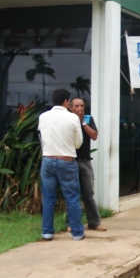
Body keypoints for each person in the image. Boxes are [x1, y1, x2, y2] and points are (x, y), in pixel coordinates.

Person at [38, 88, 85, 241]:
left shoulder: (43, 117)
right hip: (66, 161)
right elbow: (78, 144)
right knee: (71, 197)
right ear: (66, 101)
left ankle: (47, 232)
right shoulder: (72, 118)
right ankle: (77, 233)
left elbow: (41, 138)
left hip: (47, 159)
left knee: (49, 198)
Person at [70, 97, 106, 232]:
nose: (80, 108)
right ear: (71, 107)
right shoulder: (67, 119)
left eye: (82, 106)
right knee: (73, 194)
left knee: (89, 193)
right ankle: (72, 223)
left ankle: (94, 222)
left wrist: (83, 122)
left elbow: (94, 135)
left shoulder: (88, 118)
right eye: (77, 106)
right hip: (71, 161)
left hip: (85, 161)